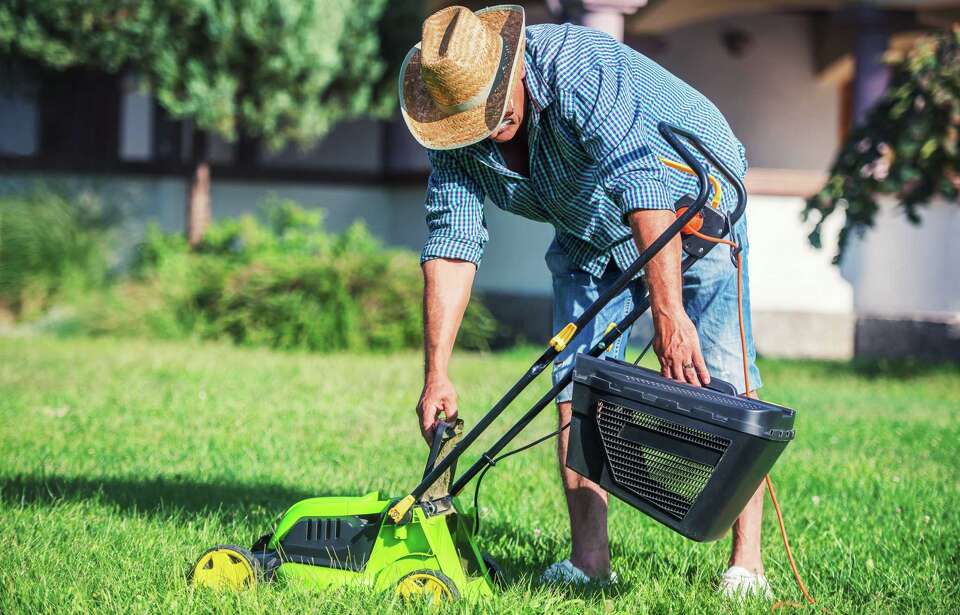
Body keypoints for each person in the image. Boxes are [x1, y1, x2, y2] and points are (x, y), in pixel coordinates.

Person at [398, 5, 770, 599]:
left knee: (721, 378)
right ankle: (589, 560)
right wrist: (436, 374)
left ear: (511, 65)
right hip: (588, 227)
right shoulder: (449, 116)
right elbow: (451, 241)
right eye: (474, 122)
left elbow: (643, 182)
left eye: (497, 111)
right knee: (575, 386)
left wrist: (668, 316)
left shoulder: (578, 66)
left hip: (695, 209)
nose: (490, 129)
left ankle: (746, 567)